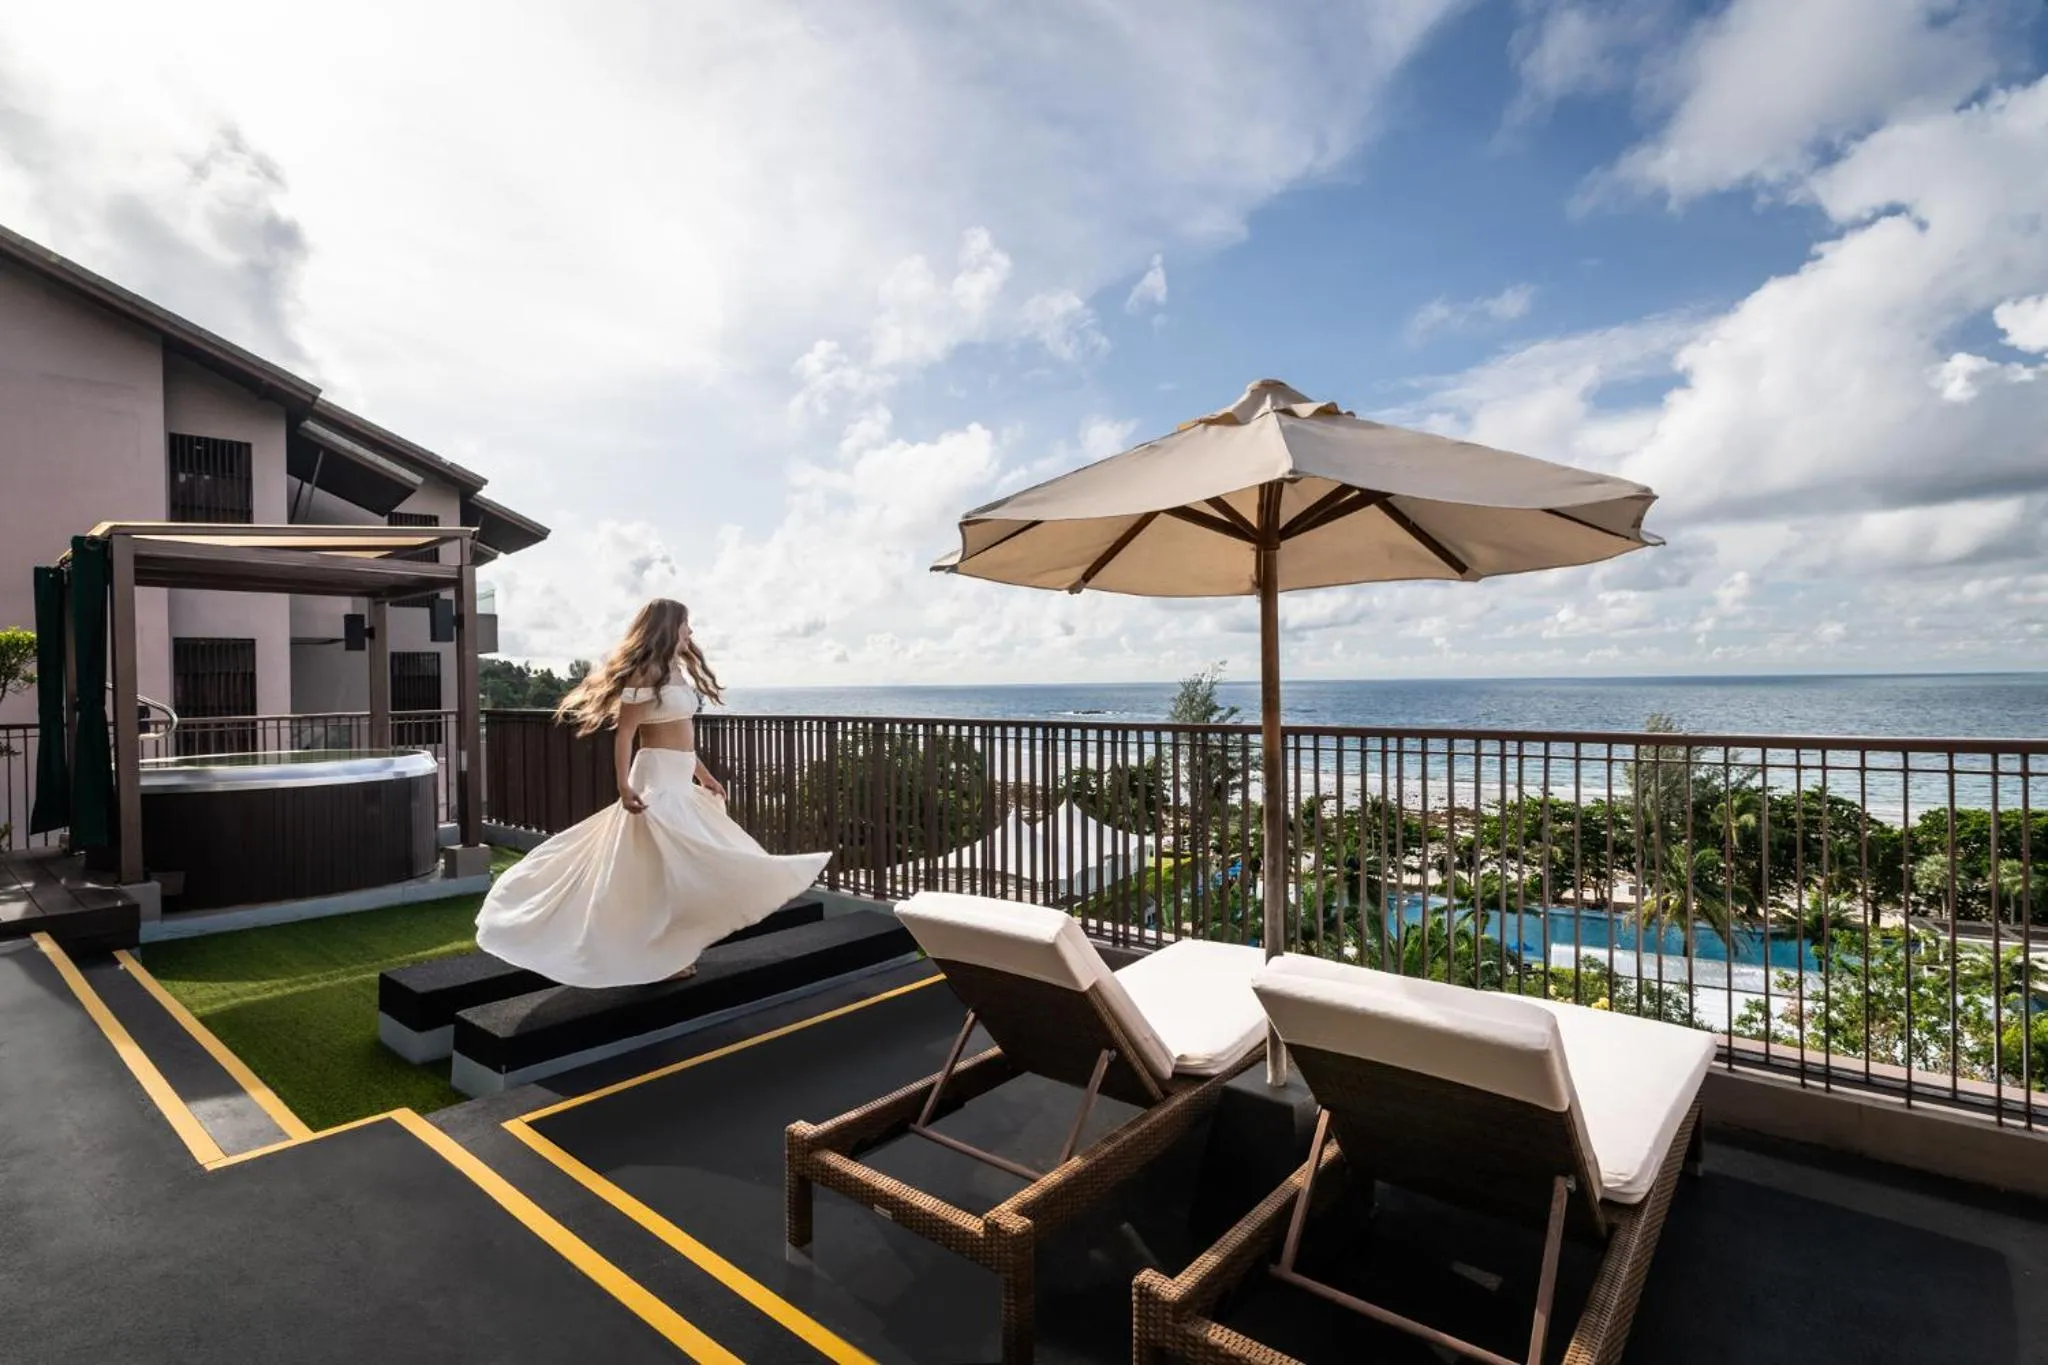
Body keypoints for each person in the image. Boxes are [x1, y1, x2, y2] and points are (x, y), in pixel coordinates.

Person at [474, 598, 831, 987]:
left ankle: (673, 950)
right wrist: (624, 786)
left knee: (682, 867)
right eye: (685, 624)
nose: (690, 632)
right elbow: (627, 734)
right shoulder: (645, 672)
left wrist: (704, 775)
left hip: (680, 777)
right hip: (657, 780)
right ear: (668, 626)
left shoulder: (676, 670)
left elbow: (682, 736)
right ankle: (656, 954)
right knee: (665, 870)